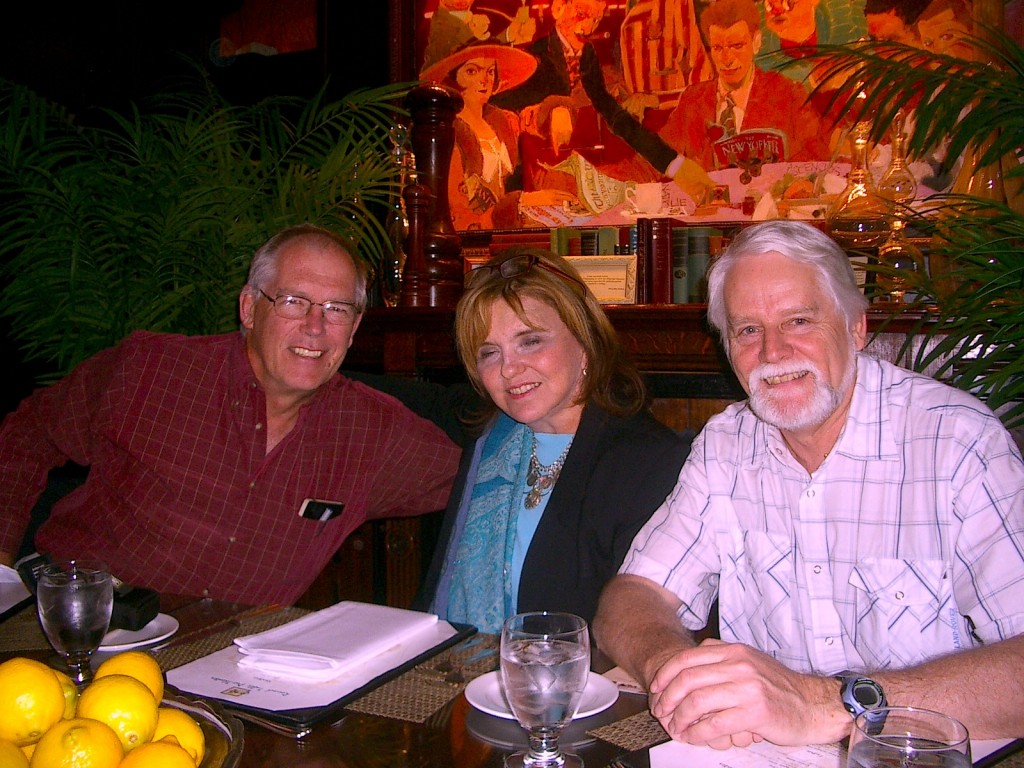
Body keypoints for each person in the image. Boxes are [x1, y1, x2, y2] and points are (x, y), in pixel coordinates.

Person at [594, 220, 1024, 747]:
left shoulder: (957, 442)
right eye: (748, 330)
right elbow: (632, 597)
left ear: (856, 327)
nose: (773, 353)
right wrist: (678, 673)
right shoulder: (726, 444)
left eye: (799, 320)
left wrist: (827, 705)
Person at [0, 224, 461, 605]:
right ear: (249, 308)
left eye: (336, 309)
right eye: (293, 301)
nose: (315, 327)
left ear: (355, 327)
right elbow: (27, 433)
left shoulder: (373, 431)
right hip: (85, 628)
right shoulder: (149, 371)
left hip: (229, 671)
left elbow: (486, 473)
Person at [421, 248, 691, 634]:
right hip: (461, 677)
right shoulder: (491, 446)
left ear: (585, 342)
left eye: (530, 341)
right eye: (489, 352)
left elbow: (640, 627)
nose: (509, 369)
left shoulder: (649, 462)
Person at [659, 0, 833, 171]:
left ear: (756, 42)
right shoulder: (693, 101)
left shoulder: (788, 95)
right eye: (718, 48)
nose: (727, 59)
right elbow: (657, 159)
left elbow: (816, 155)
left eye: (737, 46)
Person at [419, 42, 577, 230]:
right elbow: (454, 209)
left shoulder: (501, 120)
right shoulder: (448, 131)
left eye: (490, 72)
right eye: (472, 71)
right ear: (454, 78)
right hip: (468, 231)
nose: (483, 80)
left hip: (502, 226)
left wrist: (559, 109)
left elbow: (533, 118)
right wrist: (521, 201)